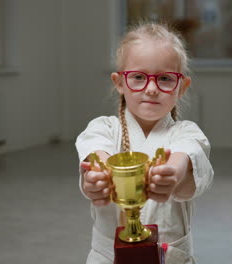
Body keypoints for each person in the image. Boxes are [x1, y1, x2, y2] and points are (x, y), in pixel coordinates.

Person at [75, 22, 214, 264]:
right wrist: (100, 178)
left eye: (165, 79)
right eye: (138, 77)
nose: (151, 89)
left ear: (181, 87)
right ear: (119, 82)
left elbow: (186, 155)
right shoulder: (102, 129)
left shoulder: (187, 133)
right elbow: (96, 153)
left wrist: (173, 175)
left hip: (170, 257)